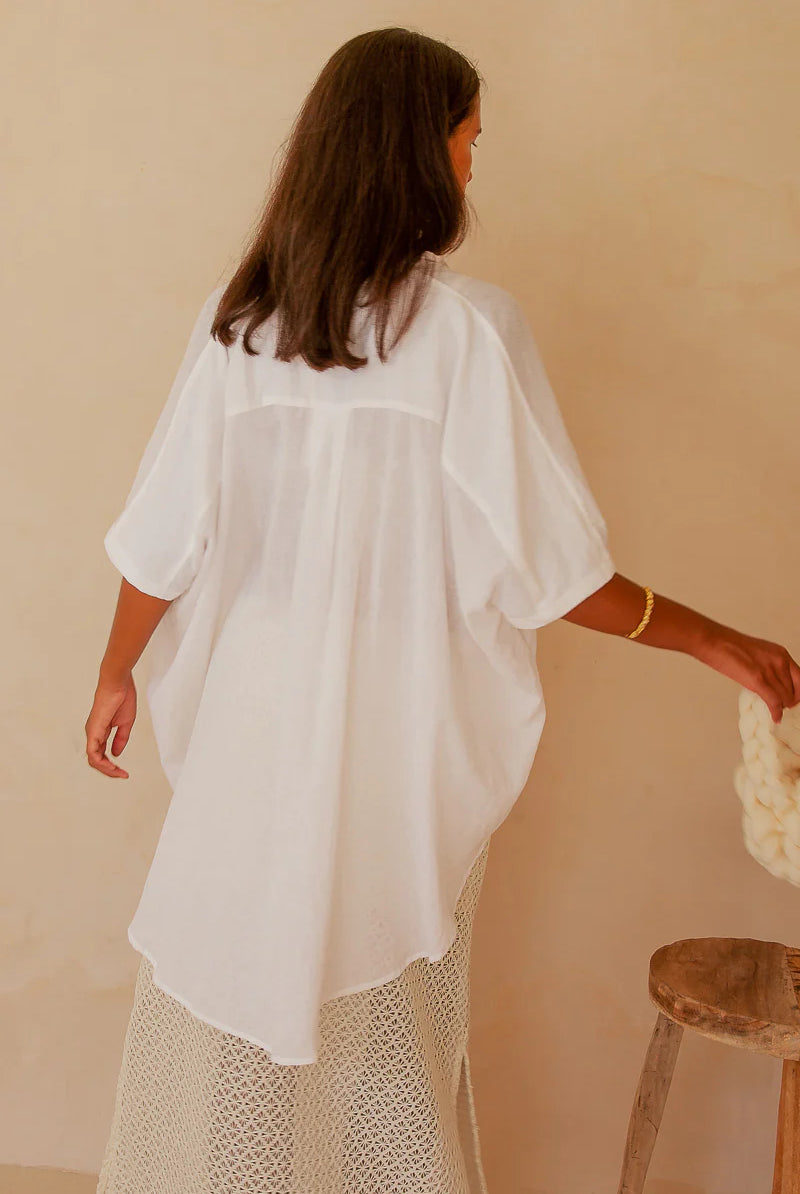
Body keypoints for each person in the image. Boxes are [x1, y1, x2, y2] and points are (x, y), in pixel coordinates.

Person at [86, 25, 800, 1194]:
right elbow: (552, 574)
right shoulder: (466, 334)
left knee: (238, 1000)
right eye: (469, 140)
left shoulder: (239, 321)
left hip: (251, 731)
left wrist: (117, 674)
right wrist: (714, 640)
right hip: (390, 727)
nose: (474, 166)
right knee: (382, 1015)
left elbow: (162, 538)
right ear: (417, 153)